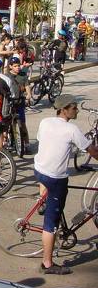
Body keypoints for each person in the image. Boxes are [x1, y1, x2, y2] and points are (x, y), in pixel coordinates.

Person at [34, 95, 98, 275]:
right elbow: (92, 151)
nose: (76, 110)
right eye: (74, 108)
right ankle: (47, 264)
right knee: (51, 223)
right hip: (55, 178)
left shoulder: (45, 121)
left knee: (47, 179)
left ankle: (42, 200)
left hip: (39, 170)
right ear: (64, 109)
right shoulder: (71, 129)